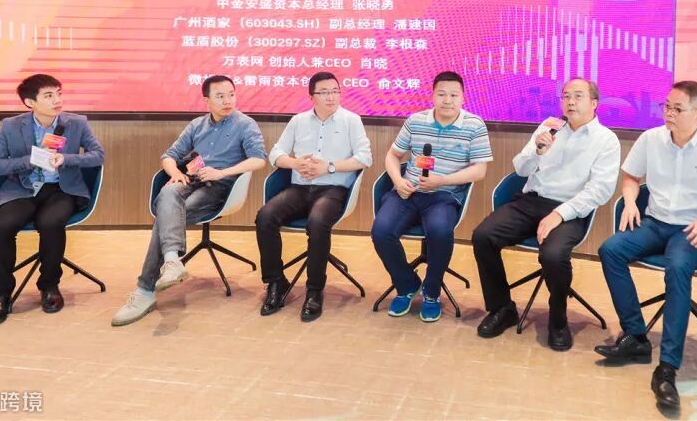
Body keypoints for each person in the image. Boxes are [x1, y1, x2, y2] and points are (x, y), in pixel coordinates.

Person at [595, 81, 697, 409]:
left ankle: (667, 367)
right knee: (610, 250)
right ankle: (636, 336)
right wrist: (631, 201)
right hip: (654, 223)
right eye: (666, 106)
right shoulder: (651, 139)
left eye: (678, 109)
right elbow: (630, 177)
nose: (669, 113)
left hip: (691, 229)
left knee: (677, 269)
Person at [472, 78, 620, 351]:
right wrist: (538, 152)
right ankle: (502, 308)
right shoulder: (549, 127)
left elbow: (600, 190)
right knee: (483, 236)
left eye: (578, 96)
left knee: (552, 255)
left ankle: (558, 320)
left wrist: (560, 214)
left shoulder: (606, 140)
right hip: (531, 201)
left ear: (594, 103)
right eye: (566, 96)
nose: (570, 102)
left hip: (571, 209)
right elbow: (520, 169)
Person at [112, 75, 267, 326]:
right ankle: (172, 261)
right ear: (207, 100)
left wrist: (222, 173)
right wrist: (175, 173)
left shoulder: (245, 124)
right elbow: (169, 155)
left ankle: (145, 290)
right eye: (220, 96)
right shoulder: (197, 125)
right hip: (192, 180)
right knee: (168, 191)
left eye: (231, 94)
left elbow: (259, 159)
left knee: (165, 218)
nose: (227, 101)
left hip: (220, 187)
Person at [0, 74, 105, 326]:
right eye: (49, 96)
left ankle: (49, 285)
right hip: (22, 189)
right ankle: (1, 294)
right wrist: (31, 160)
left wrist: (67, 159)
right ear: (30, 102)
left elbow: (97, 155)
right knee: (2, 226)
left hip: (61, 189)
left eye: (59, 93)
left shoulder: (77, 123)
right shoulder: (11, 126)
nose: (57, 100)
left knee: (51, 223)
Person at [371, 71, 492, 322]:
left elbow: (479, 170)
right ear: (432, 95)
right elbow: (393, 155)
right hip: (408, 192)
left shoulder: (474, 125)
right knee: (381, 231)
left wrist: (442, 181)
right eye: (441, 94)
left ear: (463, 97)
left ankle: (432, 292)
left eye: (454, 95)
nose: (447, 100)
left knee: (439, 231)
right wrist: (398, 181)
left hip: (444, 195)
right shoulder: (416, 121)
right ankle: (407, 285)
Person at [255, 72, 372, 322]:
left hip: (333, 189)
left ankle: (314, 291)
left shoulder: (351, 120)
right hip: (299, 188)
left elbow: (364, 158)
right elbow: (275, 153)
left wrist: (328, 167)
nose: (331, 97)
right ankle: (276, 282)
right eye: (324, 92)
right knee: (265, 216)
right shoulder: (298, 121)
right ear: (312, 97)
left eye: (335, 91)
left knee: (317, 222)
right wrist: (295, 163)